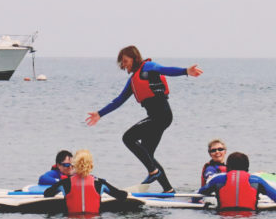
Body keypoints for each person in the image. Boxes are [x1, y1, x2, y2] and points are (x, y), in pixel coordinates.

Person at [85, 46, 203, 193]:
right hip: (157, 117)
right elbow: (119, 100)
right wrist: (100, 113)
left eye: (126, 61)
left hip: (161, 116)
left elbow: (166, 70)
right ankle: (168, 189)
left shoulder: (148, 67)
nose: (124, 65)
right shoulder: (133, 80)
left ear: (134, 58)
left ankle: (153, 172)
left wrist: (185, 71)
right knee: (147, 153)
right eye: (122, 62)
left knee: (128, 138)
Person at [43, 149, 128, 215]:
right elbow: (121, 196)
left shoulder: (65, 183)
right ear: (91, 165)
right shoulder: (100, 183)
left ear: (74, 165)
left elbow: (47, 193)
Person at [197, 152, 276, 210]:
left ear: (228, 167)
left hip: (223, 217)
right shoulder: (257, 180)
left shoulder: (218, 180)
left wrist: (194, 201)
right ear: (247, 168)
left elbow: (200, 194)